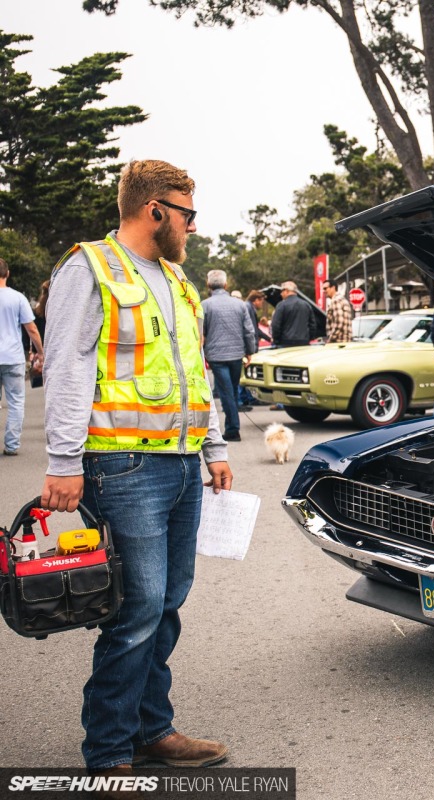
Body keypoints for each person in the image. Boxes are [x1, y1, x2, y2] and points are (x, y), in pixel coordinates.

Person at [39, 159, 232, 779]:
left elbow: (194, 370)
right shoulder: (88, 267)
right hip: (122, 465)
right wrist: (64, 461)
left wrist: (216, 448)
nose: (192, 227)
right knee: (137, 607)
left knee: (169, 601)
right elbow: (66, 365)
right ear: (155, 211)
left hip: (179, 463)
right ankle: (109, 753)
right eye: (187, 214)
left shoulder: (176, 280)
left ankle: (154, 729)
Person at [200, 269, 256, 441]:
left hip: (216, 356)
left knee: (226, 392)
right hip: (237, 354)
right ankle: (233, 426)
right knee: (231, 390)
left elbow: (201, 333)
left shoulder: (205, 305)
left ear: (208, 285)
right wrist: (250, 352)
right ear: (226, 285)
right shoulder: (240, 305)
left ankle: (232, 429)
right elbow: (249, 331)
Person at [0, 258, 43, 456]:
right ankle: (11, 445)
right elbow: (31, 328)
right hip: (12, 357)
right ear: (7, 274)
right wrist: (40, 351)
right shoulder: (18, 298)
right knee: (16, 402)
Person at [270, 280, 316, 348]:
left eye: (282, 291)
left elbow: (275, 325)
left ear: (287, 291)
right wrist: (309, 338)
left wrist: (276, 340)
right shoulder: (306, 305)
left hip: (285, 342)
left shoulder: (281, 305)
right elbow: (312, 325)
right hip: (304, 342)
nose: (281, 294)